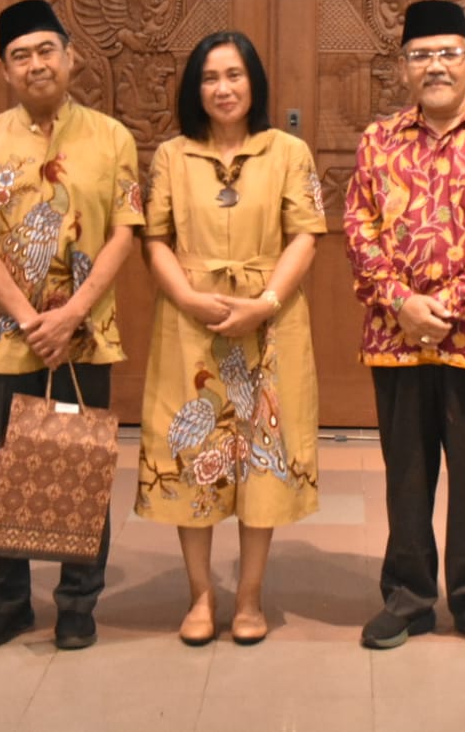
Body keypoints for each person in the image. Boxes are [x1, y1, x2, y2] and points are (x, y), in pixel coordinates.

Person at [343, 0, 465, 656]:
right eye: (421, 55)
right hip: (396, 341)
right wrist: (401, 302)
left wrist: (447, 305)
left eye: (448, 54)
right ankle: (406, 597)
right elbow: (359, 231)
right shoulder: (377, 141)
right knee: (406, 476)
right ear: (403, 67)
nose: (435, 66)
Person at [0, 0, 144, 651]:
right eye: (20, 56)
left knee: (78, 464)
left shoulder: (112, 139)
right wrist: (32, 319)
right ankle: (8, 600)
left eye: (46, 50)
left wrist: (71, 314)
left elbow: (124, 234)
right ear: (4, 70)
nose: (36, 64)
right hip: (4, 337)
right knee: (6, 470)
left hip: (82, 336)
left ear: (70, 57)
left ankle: (77, 602)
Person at [135, 31, 326, 646]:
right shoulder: (171, 156)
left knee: (260, 453)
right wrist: (189, 298)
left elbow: (306, 234)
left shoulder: (288, 151)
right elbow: (154, 239)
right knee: (194, 453)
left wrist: (265, 303)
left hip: (270, 320)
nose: (223, 88)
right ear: (195, 89)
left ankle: (249, 596)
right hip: (189, 321)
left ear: (254, 83)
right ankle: (200, 595)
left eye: (235, 75)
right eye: (210, 77)